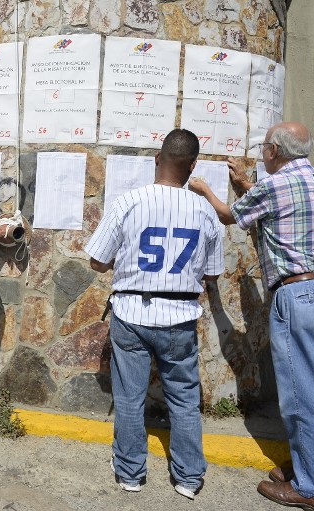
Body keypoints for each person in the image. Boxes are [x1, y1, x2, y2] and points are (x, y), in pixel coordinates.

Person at [189, 122, 314, 511]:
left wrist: (205, 189)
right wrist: (246, 183)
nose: (262, 152)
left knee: (302, 398)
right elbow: (278, 208)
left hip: (301, 296)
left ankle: (312, 490)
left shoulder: (273, 187)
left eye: (264, 147)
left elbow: (229, 216)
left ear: (275, 151)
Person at [84, 129, 224, 499]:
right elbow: (212, 272)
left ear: (157, 159)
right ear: (192, 166)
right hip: (179, 313)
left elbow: (98, 260)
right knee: (184, 398)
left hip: (131, 310)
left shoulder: (128, 201)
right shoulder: (205, 210)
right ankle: (189, 477)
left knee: (129, 397)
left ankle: (131, 473)